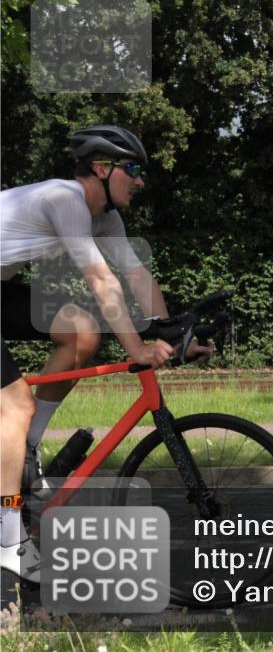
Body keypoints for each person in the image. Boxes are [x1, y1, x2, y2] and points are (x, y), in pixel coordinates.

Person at [0, 125, 209, 581]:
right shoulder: (65, 200)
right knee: (13, 404)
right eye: (131, 169)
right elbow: (101, 280)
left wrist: (175, 336)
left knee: (82, 331)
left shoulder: (107, 219)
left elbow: (135, 277)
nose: (140, 180)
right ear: (101, 168)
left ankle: (27, 448)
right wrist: (135, 347)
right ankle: (9, 540)